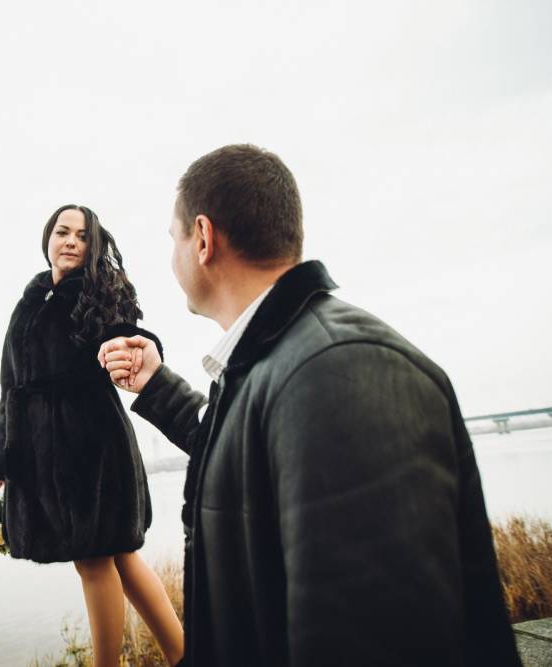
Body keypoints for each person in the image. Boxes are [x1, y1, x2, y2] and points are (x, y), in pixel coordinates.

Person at [98, 145, 522, 666]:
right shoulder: (285, 361)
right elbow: (243, 451)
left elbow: (375, 642)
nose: (172, 257)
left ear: (203, 238)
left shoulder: (343, 370)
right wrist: (156, 384)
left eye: (174, 238)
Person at [0, 204, 185, 666]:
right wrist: (2, 456)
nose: (71, 241)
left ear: (92, 246)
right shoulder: (28, 304)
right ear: (48, 238)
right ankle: (187, 655)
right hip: (43, 451)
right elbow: (9, 386)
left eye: (81, 235)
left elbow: (130, 336)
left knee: (97, 559)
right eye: (63, 232)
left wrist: (140, 347)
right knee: (117, 558)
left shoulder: (96, 295)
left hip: (93, 446)